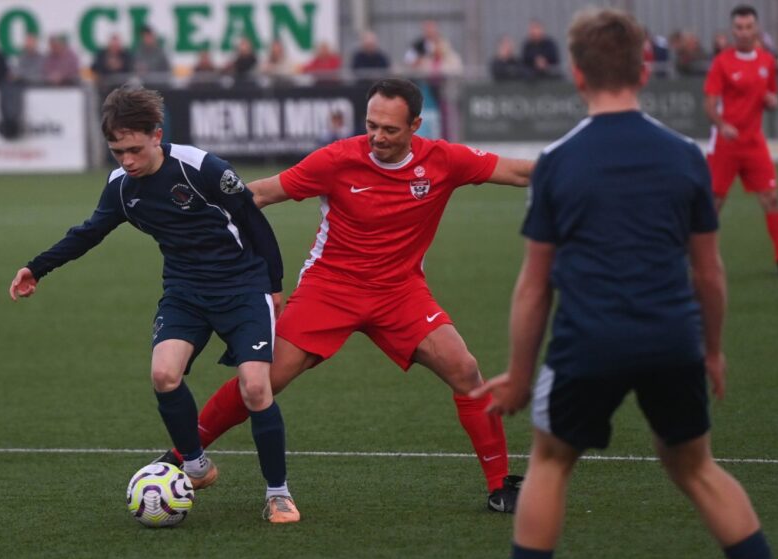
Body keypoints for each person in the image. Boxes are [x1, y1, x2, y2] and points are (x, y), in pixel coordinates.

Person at [471, 8, 774, 559]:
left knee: (551, 463)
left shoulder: (557, 162)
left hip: (588, 343)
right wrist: (711, 351)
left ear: (577, 75)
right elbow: (708, 271)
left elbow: (534, 286)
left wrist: (518, 374)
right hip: (672, 339)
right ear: (644, 70)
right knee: (696, 468)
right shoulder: (687, 158)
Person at [156, 77, 534, 513]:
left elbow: (520, 171)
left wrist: (583, 171)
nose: (377, 137)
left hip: (400, 292)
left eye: (390, 129)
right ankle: (184, 456)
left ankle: (500, 484)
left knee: (465, 369)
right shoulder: (337, 159)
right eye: (371, 125)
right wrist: (189, 214)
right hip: (330, 288)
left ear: (416, 125)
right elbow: (259, 193)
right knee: (260, 380)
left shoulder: (445, 160)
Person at [8, 85, 300, 524]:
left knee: (256, 387)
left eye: (133, 149)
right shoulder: (122, 188)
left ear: (156, 136)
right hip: (185, 290)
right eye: (116, 151)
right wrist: (37, 268)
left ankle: (278, 493)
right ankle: (197, 466)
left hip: (242, 286)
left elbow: (252, 221)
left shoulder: (202, 168)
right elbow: (87, 233)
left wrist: (273, 286)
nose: (125, 160)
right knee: (164, 374)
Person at [704, 4, 778, 272]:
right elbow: (710, 105)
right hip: (726, 143)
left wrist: (772, 101)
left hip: (753, 142)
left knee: (771, 198)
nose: (744, 32)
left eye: (749, 27)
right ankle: (701, 259)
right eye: (739, 27)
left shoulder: (767, 61)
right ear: (732, 30)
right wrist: (722, 124)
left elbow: (770, 96)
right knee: (713, 204)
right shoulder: (722, 62)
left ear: (756, 28)